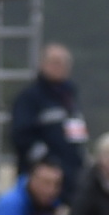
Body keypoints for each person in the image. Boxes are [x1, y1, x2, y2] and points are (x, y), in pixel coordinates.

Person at [6, 43, 88, 189]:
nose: (59, 67)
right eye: (54, 62)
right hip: (42, 179)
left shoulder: (70, 97)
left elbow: (77, 134)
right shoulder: (29, 97)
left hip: (72, 176)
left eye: (64, 63)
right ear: (42, 64)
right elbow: (20, 136)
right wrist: (47, 162)